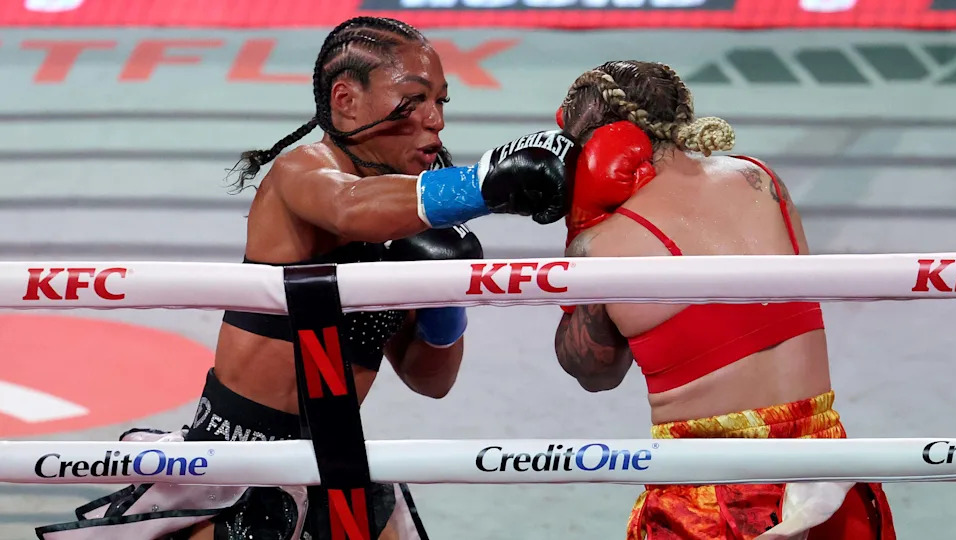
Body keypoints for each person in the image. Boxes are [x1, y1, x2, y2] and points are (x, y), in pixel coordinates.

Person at [36, 16, 580, 540]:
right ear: (345, 102)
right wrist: (483, 183)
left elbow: (430, 379)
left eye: (440, 101)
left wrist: (445, 297)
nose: (434, 119)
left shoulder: (417, 207)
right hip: (237, 463)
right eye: (413, 100)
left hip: (335, 459)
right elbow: (350, 209)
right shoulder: (302, 173)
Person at [552, 60, 897, 539]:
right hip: (830, 476)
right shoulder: (761, 180)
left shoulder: (607, 239)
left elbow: (593, 370)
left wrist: (579, 226)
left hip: (715, 499)